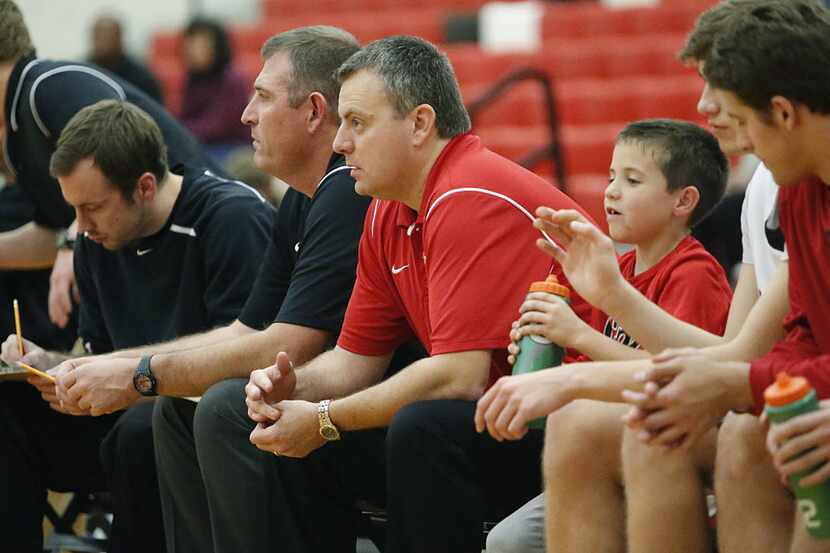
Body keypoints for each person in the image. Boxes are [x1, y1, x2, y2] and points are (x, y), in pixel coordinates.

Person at [40, 26, 423, 553]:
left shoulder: (344, 192)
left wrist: (138, 375)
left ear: (313, 112)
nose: (245, 114)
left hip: (387, 414)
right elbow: (248, 329)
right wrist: (113, 368)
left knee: (221, 405)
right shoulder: (302, 198)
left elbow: (287, 344)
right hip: (334, 401)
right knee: (179, 407)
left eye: (261, 97)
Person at [235, 34, 594, 553]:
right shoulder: (387, 207)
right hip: (506, 415)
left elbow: (458, 377)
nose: (340, 143)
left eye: (357, 123)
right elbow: (353, 361)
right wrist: (296, 390)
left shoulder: (467, 191)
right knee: (286, 437)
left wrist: (325, 419)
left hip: (578, 416)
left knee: (423, 427)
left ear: (420, 124)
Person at [0, 99, 273, 553]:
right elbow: (99, 354)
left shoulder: (231, 218)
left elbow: (248, 357)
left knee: (145, 426)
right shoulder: (93, 238)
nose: (80, 227)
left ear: (144, 186)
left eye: (93, 207)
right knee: (8, 406)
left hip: (203, 422)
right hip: (122, 416)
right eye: (74, 210)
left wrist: (131, 379)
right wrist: (54, 366)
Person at [621, 1, 830, 551]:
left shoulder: (789, 184)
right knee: (727, 432)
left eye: (729, 106)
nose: (703, 106)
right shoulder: (797, 189)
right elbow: (797, 343)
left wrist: (740, 382)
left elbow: (745, 356)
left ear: (782, 113)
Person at [482, 119, 734, 553]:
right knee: (505, 539)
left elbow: (676, 376)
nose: (612, 191)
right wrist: (544, 360)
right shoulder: (622, 271)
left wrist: (578, 334)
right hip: (604, 447)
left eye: (632, 180)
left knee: (513, 541)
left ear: (683, 200)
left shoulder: (695, 274)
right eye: (612, 176)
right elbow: (601, 370)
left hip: (664, 452)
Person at [0, 0, 220, 332]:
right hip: (161, 259)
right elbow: (53, 233)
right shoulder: (18, 128)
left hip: (210, 238)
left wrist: (71, 245)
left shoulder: (47, 84)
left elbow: (118, 153)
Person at [179, 17, 250, 162]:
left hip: (232, 147)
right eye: (189, 44)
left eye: (199, 45)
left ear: (216, 47)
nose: (191, 51)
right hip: (203, 144)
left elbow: (218, 127)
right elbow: (185, 115)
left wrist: (179, 130)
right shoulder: (192, 78)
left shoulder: (232, 79)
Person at [87, 14, 164, 103]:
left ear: (119, 38)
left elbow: (154, 110)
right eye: (98, 37)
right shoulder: (85, 71)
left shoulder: (141, 77)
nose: (102, 43)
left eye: (107, 37)